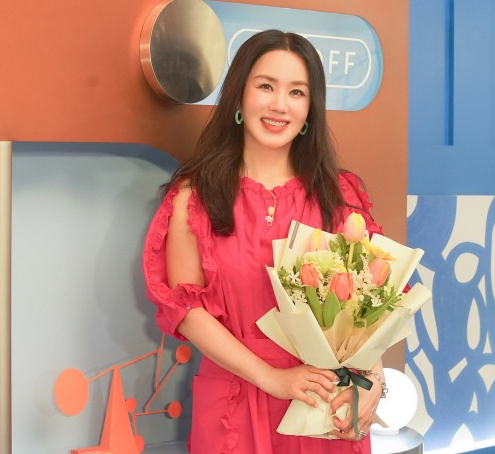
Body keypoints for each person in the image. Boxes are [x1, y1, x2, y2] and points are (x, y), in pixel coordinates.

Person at [143, 29, 385, 454]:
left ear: (310, 110)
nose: (279, 105)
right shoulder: (194, 195)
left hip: (324, 403)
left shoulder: (339, 194)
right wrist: (271, 378)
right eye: (266, 86)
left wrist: (374, 379)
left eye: (297, 92)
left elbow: (367, 305)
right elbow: (187, 310)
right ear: (239, 96)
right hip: (233, 403)